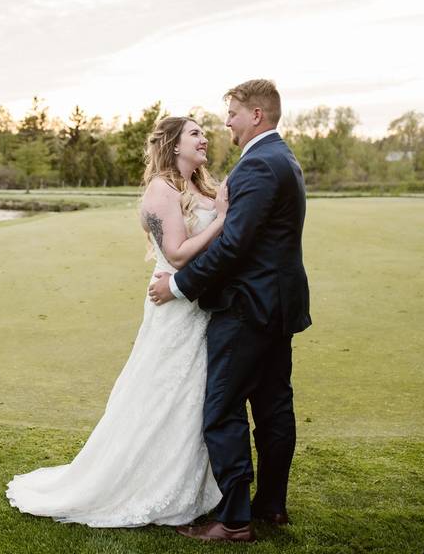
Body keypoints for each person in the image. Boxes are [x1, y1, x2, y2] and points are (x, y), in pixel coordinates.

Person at [6, 116, 229, 527]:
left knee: (193, 395)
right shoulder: (162, 189)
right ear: (173, 144)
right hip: (175, 306)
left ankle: (190, 483)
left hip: (200, 307)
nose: (204, 139)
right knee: (163, 391)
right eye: (195, 133)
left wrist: (219, 213)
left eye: (203, 133)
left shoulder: (203, 184)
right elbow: (178, 255)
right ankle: (143, 485)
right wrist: (220, 220)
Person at [149, 79, 311, 543]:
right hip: (277, 304)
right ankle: (271, 506)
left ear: (256, 115)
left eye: (233, 113)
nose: (226, 123)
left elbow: (236, 246)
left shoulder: (258, 164)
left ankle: (235, 519)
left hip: (247, 306)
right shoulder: (284, 159)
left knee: (222, 408)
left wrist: (180, 285)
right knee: (274, 404)